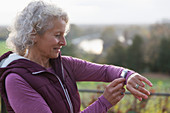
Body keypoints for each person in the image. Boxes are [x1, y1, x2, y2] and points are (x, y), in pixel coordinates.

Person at [0, 1, 153, 113]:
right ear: (33, 35)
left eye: (64, 35)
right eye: (57, 35)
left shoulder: (64, 65)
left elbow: (105, 71)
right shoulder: (16, 79)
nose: (64, 42)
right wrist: (104, 103)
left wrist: (128, 76)